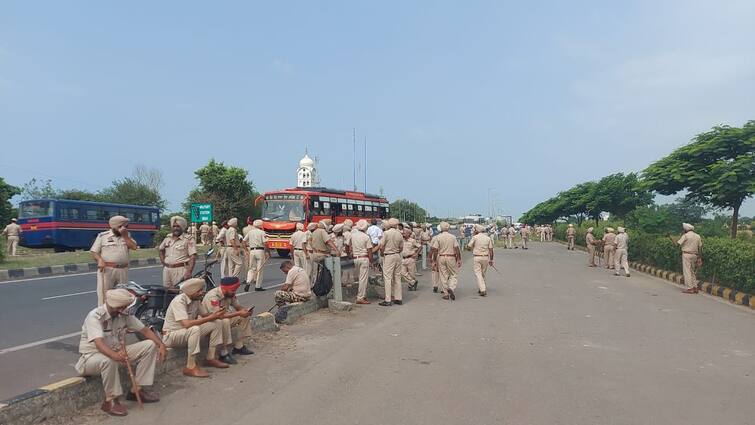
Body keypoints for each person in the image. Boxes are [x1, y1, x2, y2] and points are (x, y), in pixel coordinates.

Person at [75, 288, 166, 416]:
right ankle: (110, 400)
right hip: (91, 358)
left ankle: (137, 390)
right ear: (110, 304)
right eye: (119, 308)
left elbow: (145, 330)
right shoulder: (95, 316)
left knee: (150, 345)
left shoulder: (123, 314)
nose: (121, 310)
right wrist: (115, 356)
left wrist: (161, 344)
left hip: (116, 353)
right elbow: (99, 344)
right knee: (108, 360)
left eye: (123, 307)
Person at [162, 278, 227, 378]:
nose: (202, 293)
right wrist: (211, 317)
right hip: (171, 336)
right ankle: (190, 367)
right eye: (199, 291)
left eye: (202, 290)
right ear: (191, 291)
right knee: (194, 329)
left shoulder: (195, 300)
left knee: (217, 323)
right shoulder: (179, 301)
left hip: (186, 333)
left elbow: (206, 315)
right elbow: (187, 324)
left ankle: (211, 358)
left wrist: (217, 314)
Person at [202, 277, 255, 364]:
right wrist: (239, 313)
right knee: (225, 321)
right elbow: (218, 316)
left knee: (244, 317)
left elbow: (238, 307)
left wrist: (246, 311)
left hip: (222, 317)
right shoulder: (213, 296)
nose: (234, 292)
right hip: (210, 321)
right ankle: (223, 353)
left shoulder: (230, 294)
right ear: (224, 288)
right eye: (233, 290)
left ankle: (239, 346)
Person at [90, 216, 138, 306]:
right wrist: (100, 260)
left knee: (121, 295)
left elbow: (134, 247)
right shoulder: (103, 236)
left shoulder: (127, 235)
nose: (124, 229)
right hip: (107, 270)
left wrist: (125, 236)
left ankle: (119, 315)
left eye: (126, 227)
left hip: (123, 269)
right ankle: (104, 315)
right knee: (104, 294)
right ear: (114, 226)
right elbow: (94, 251)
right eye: (121, 227)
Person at [159, 216, 197, 288]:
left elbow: (193, 256)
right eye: (174, 226)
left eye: (178, 226)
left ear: (182, 227)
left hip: (181, 270)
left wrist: (189, 272)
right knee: (167, 292)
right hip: (167, 270)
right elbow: (161, 249)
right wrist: (163, 262)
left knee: (180, 292)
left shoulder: (188, 239)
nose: (175, 228)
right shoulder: (168, 238)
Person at [431, 222, 461, 300]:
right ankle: (451, 287)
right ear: (448, 228)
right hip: (451, 256)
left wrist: (434, 260)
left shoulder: (438, 237)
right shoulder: (452, 237)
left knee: (443, 275)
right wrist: (459, 259)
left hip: (441, 257)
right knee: (453, 274)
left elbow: (435, 250)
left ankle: (446, 293)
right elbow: (457, 249)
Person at [670, 223, 703, 294]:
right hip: (695, 255)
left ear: (685, 230)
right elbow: (700, 247)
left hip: (686, 254)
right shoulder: (698, 236)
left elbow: (677, 245)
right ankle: (695, 287)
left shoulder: (685, 236)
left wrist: (672, 239)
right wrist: (699, 258)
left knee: (687, 271)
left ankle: (690, 288)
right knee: (692, 272)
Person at [378, 218, 404, 306]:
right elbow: (401, 247)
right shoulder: (399, 234)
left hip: (389, 255)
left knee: (388, 277)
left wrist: (382, 253)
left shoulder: (386, 233)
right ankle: (398, 298)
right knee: (397, 277)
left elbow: (381, 246)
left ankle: (388, 299)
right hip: (397, 255)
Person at [466, 224, 493, 296]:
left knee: (478, 274)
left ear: (477, 230)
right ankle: (481, 287)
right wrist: (491, 260)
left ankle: (483, 289)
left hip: (477, 257)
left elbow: (468, 247)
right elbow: (491, 250)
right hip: (486, 257)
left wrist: (470, 249)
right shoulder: (488, 238)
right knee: (483, 273)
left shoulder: (475, 237)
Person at [243, 219, 269, 292]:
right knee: (260, 269)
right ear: (260, 225)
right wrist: (268, 252)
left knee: (251, 268)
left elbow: (244, 241)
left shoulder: (250, 232)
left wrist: (246, 250)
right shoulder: (262, 232)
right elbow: (265, 243)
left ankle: (248, 282)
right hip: (260, 251)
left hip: (252, 251)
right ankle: (258, 286)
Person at [351, 220, 373, 304]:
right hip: (364, 258)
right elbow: (369, 251)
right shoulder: (366, 237)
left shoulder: (353, 235)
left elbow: (348, 246)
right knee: (363, 279)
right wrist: (371, 261)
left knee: (359, 278)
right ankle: (360, 297)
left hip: (355, 258)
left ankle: (363, 295)